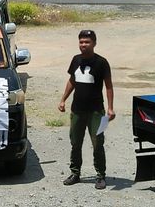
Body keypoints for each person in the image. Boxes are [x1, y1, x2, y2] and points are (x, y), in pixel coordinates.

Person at [58, 30, 115, 190]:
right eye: (81, 42)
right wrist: (63, 99)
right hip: (77, 110)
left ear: (94, 43)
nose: (83, 45)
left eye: (87, 42)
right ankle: (75, 173)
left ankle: (101, 175)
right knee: (75, 142)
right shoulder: (75, 60)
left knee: (98, 143)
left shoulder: (102, 62)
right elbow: (72, 80)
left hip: (98, 111)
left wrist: (110, 108)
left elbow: (109, 85)